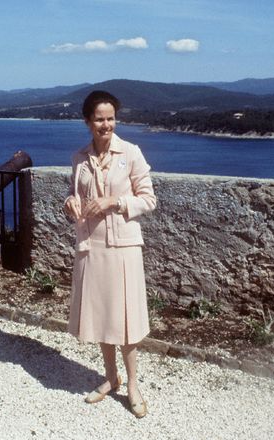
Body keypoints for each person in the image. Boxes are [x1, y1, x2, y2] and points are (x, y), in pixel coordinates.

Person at [64, 90, 157, 418]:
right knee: (103, 316)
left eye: (110, 118)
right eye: (99, 119)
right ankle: (110, 378)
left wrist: (114, 202)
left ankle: (132, 385)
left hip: (123, 248)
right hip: (92, 246)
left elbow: (148, 199)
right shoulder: (79, 158)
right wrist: (70, 203)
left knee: (127, 321)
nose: (106, 124)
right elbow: (76, 198)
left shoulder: (130, 153)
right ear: (88, 121)